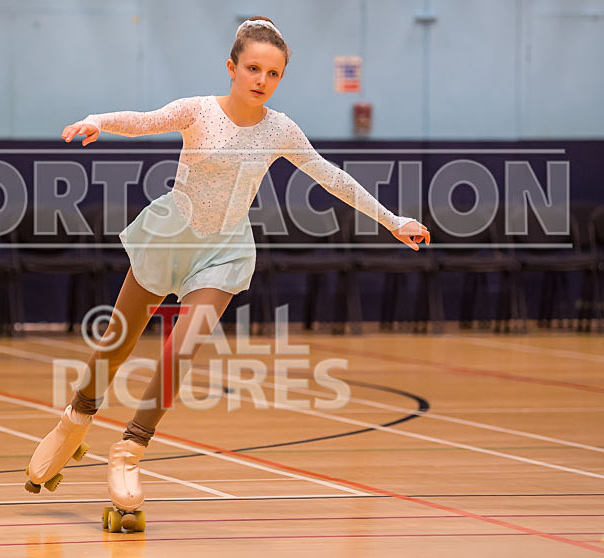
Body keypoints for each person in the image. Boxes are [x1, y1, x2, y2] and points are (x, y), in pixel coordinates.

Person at [24, 16, 430, 533]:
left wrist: (393, 221)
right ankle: (74, 421)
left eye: (274, 73)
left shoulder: (280, 129)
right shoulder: (198, 110)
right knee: (116, 344)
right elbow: (145, 120)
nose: (262, 80)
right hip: (172, 235)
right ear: (232, 67)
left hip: (224, 251)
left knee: (182, 345)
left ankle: (129, 450)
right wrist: (96, 120)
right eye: (253, 68)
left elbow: (331, 177)